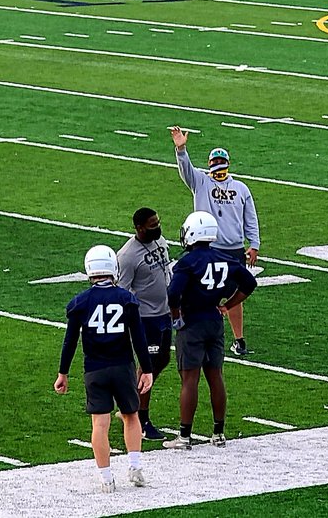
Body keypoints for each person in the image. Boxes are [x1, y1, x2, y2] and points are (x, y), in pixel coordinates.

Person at [55, 245, 154, 493]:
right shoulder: (126, 299)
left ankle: (106, 478)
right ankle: (135, 467)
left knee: (100, 424)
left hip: (95, 369)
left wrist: (63, 372)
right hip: (122, 366)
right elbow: (139, 337)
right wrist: (148, 369)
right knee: (131, 416)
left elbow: (70, 341)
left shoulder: (81, 302)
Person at [163, 211, 257, 451]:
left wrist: (176, 317)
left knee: (190, 379)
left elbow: (173, 294)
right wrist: (228, 305)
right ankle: (218, 433)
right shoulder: (225, 258)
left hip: (192, 322)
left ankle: (184, 436)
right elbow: (249, 283)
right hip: (214, 321)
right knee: (216, 376)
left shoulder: (187, 262)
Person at [169, 126, 260, 357]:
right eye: (214, 160)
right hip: (209, 248)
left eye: (221, 160)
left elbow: (250, 217)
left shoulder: (240, 188)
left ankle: (239, 340)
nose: (217, 163)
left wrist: (254, 244)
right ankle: (195, 332)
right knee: (201, 293)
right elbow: (186, 170)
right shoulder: (201, 182)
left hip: (233, 249)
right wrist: (181, 149)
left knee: (234, 295)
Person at [117, 207, 173, 442]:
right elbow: (122, 291)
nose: (157, 227)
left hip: (165, 312)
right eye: (152, 224)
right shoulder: (128, 255)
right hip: (146, 317)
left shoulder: (159, 240)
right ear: (139, 228)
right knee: (148, 365)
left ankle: (131, 403)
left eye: (157, 222)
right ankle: (140, 417)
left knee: (162, 360)